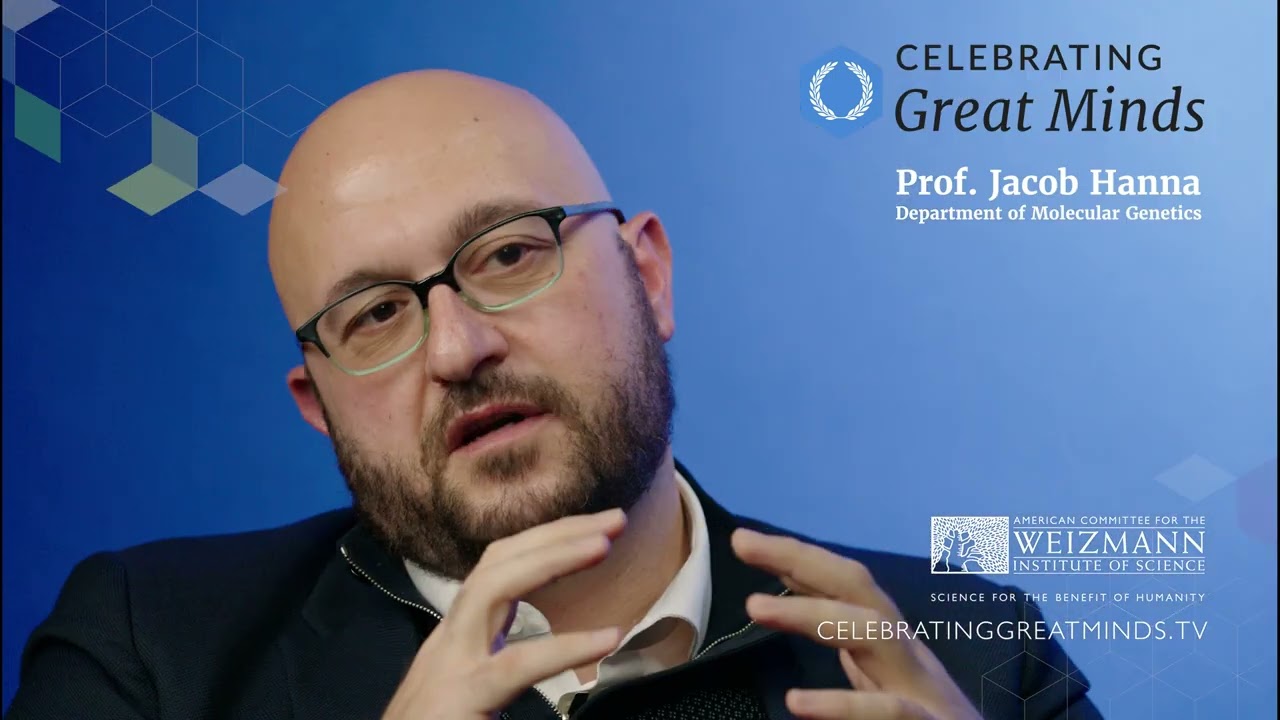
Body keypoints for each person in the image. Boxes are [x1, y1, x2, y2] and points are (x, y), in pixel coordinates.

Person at [6, 70, 1103, 720]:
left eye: (508, 253)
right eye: (374, 314)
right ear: (319, 403)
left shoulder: (971, 653)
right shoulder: (148, 657)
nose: (457, 348)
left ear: (648, 276)